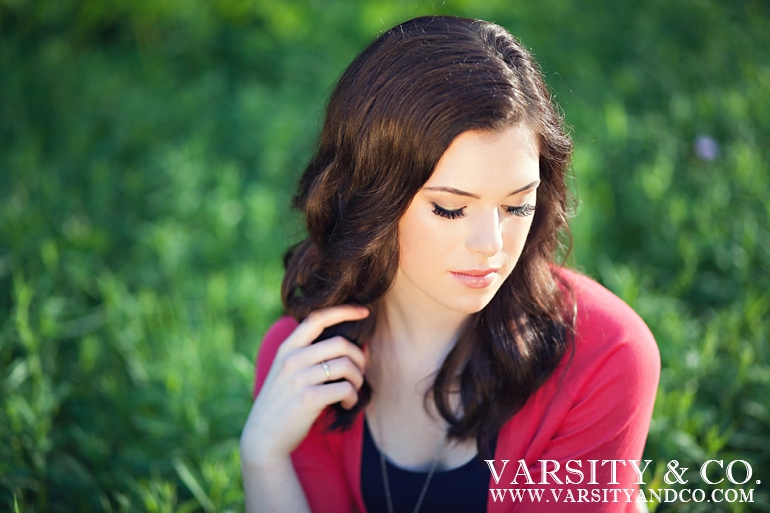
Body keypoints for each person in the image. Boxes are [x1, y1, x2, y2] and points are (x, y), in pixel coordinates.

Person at [240, 15, 660, 513]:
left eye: (516, 205)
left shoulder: (605, 354)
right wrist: (262, 456)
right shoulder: (305, 365)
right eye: (450, 208)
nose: (490, 244)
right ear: (371, 196)